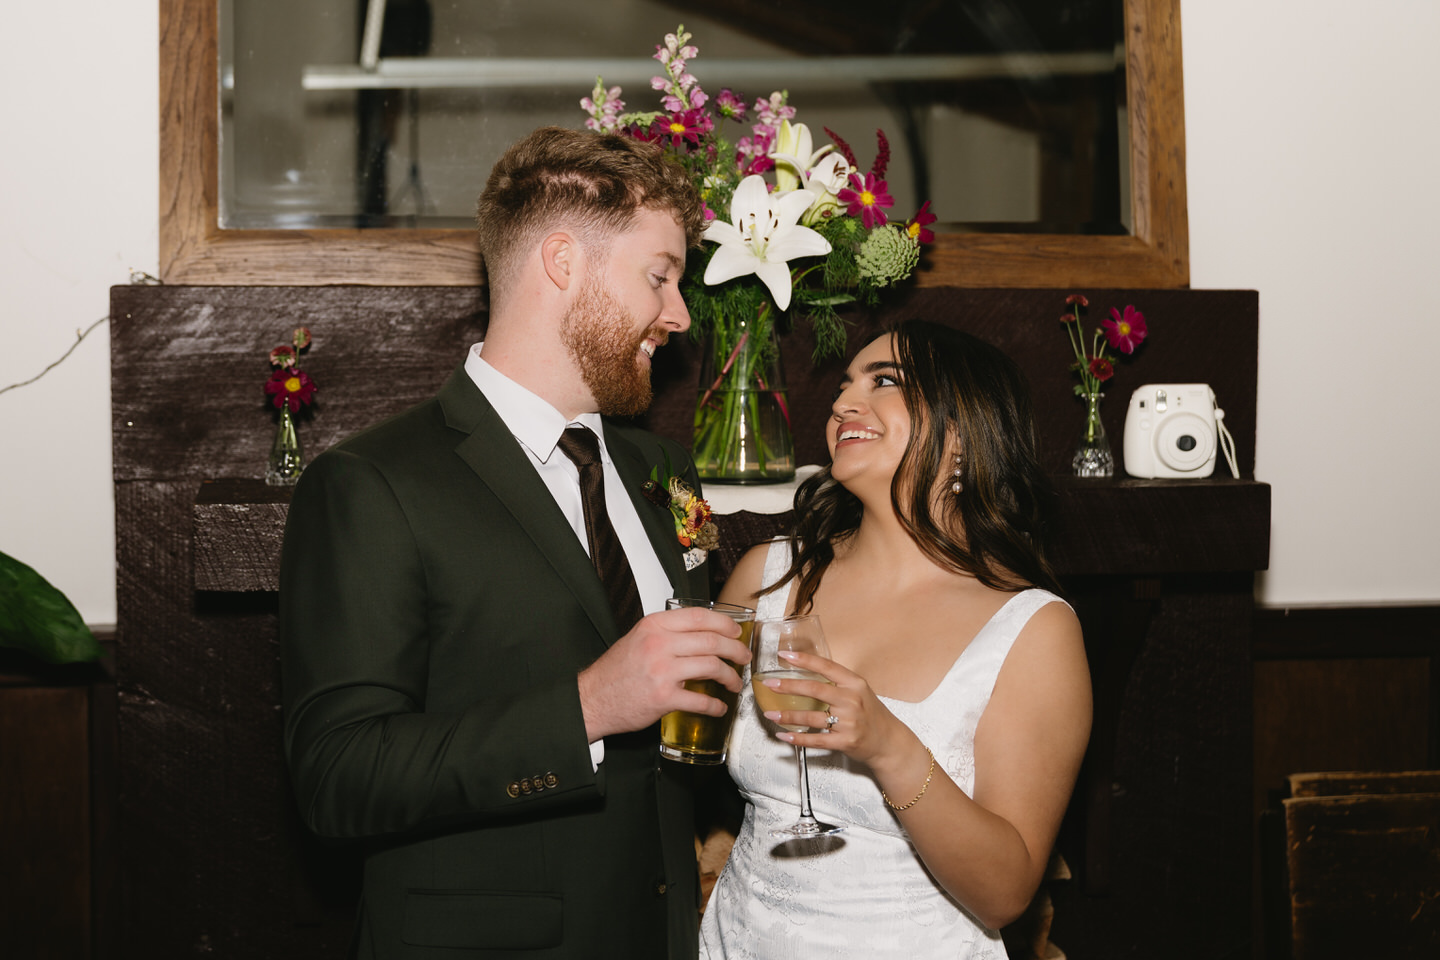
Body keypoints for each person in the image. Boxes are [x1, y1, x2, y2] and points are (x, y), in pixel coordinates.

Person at [279, 126, 752, 960]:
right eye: (660, 277)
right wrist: (590, 707)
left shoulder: (665, 468)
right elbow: (339, 776)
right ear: (563, 262)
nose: (679, 316)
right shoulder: (371, 483)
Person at [700, 320, 1092, 957]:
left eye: (884, 381)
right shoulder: (766, 577)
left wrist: (888, 746)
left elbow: (1005, 893)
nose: (842, 403)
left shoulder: (1032, 629)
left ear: (962, 430)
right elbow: (686, 747)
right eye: (845, 385)